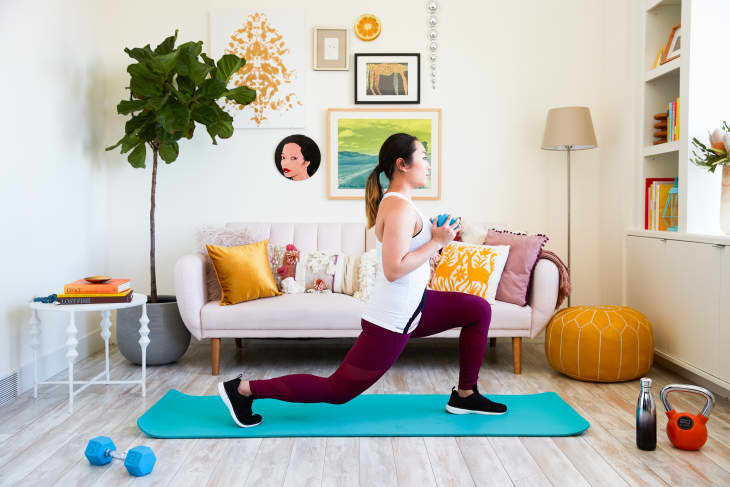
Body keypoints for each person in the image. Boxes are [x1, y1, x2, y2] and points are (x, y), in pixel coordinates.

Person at [218, 132, 506, 427]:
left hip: (415, 307)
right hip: (393, 318)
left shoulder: (402, 204)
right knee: (337, 390)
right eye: (423, 157)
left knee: (477, 309)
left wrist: (431, 244)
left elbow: (406, 257)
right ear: (402, 164)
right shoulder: (398, 208)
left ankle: (466, 394)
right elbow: (394, 269)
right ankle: (243, 389)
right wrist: (436, 242)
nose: (428, 164)